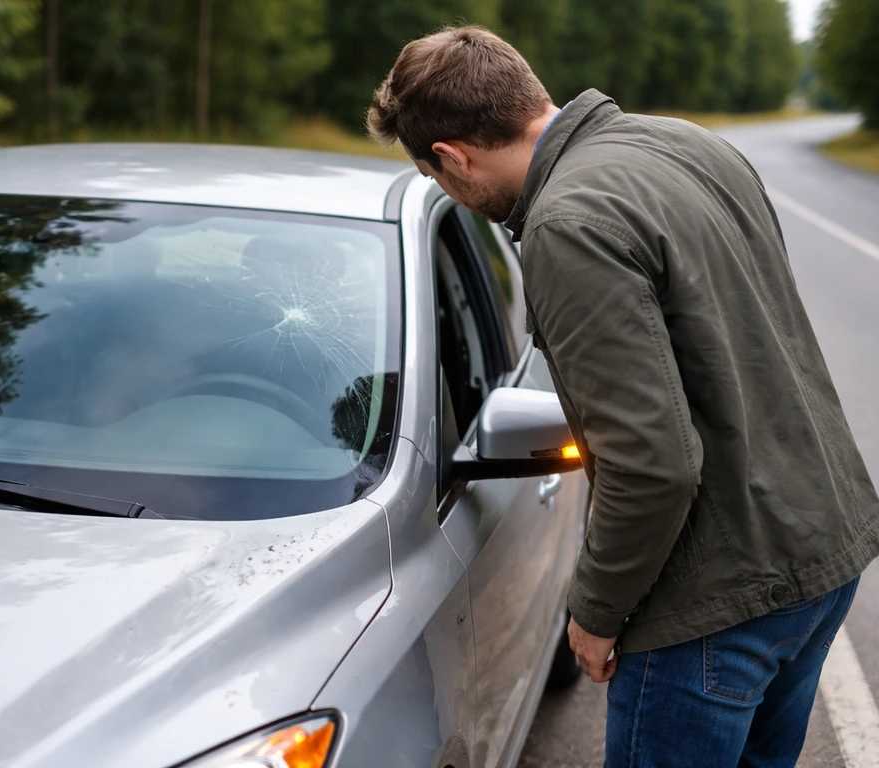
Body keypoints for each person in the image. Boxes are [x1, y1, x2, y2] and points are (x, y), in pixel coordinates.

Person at [367, 25, 879, 768]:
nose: (454, 194)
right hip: (822, 551)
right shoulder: (685, 142)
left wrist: (597, 612)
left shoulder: (568, 223)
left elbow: (653, 462)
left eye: (438, 178)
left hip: (716, 605)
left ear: (450, 157)